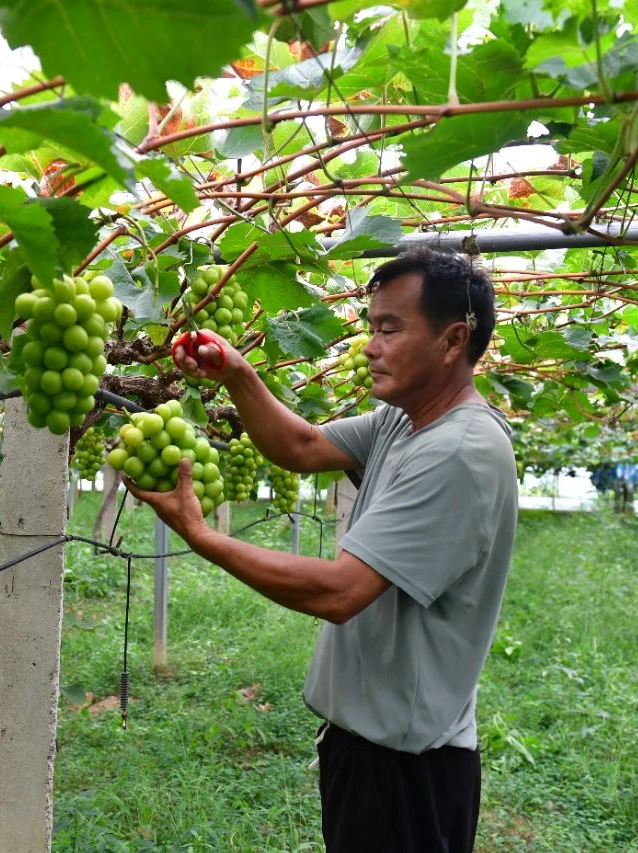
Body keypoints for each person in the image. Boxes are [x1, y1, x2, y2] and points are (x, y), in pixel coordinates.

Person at [125, 247, 518, 852]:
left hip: (407, 769)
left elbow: (341, 591)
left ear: (452, 340)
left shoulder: (459, 451)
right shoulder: (405, 421)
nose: (369, 345)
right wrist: (238, 373)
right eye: (370, 326)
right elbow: (303, 447)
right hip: (375, 749)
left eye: (390, 329)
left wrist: (202, 537)